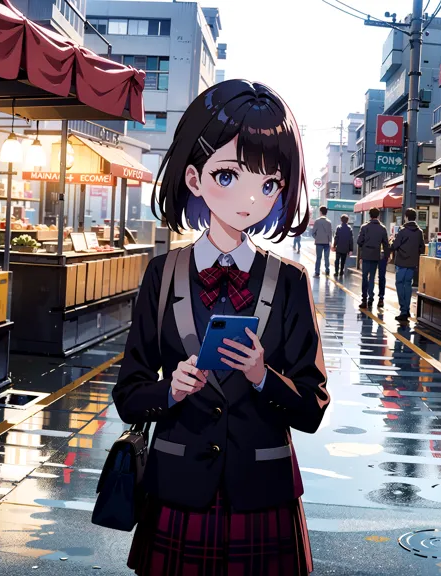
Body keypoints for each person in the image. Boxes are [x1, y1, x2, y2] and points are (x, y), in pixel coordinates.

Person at [114, 79, 329, 576]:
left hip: (263, 494)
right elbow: (129, 392)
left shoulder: (290, 281)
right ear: (194, 178)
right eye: (230, 175)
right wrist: (169, 390)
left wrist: (261, 376)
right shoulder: (162, 274)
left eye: (269, 182)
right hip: (176, 489)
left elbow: (312, 406)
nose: (251, 197)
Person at [389, 208, 426, 322]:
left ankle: (404, 311)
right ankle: (407, 309)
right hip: (412, 263)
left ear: (406, 217)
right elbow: (422, 248)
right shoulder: (419, 231)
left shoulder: (402, 230)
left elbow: (395, 246)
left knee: (400, 285)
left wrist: (391, 243)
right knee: (408, 285)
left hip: (401, 263)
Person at [358, 207, 389, 309]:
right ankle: (371, 297)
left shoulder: (364, 227)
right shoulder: (382, 228)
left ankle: (364, 299)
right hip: (376, 255)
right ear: (378, 216)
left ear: (369, 215)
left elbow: (359, 241)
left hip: (366, 255)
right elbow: (386, 244)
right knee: (372, 277)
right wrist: (387, 256)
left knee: (364, 277)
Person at [312, 206, 332, 277]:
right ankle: (327, 271)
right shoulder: (329, 222)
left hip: (319, 243)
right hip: (327, 243)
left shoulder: (317, 221)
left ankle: (317, 272)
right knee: (326, 257)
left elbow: (313, 233)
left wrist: (317, 238)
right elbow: (330, 233)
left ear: (320, 212)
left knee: (318, 258)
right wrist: (330, 242)